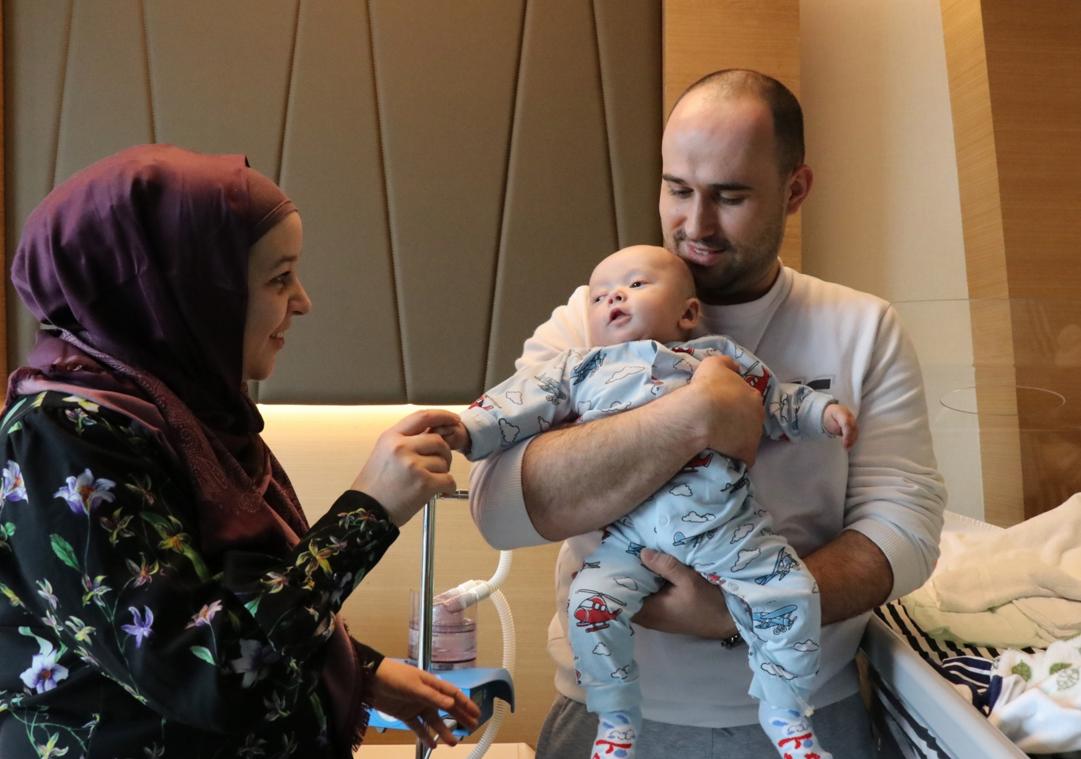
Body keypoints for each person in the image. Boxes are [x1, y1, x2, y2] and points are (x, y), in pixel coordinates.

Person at [469, 69, 947, 757]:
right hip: (609, 720)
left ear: (795, 189)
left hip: (812, 712)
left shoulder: (862, 327)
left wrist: (737, 606)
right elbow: (498, 509)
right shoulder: (590, 319)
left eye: (729, 196)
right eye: (677, 189)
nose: (694, 225)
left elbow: (904, 526)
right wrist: (691, 416)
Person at [0, 144, 479, 758]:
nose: (302, 301)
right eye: (279, 278)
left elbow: (206, 601)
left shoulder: (183, 418)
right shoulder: (62, 435)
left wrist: (351, 666)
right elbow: (203, 670)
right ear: (188, 290)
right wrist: (367, 512)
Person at [446, 244, 857, 759]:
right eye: (600, 296)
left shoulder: (717, 357)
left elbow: (777, 399)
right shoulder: (577, 368)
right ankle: (616, 717)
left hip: (729, 527)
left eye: (636, 285)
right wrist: (467, 429)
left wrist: (821, 412)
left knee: (793, 592)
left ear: (687, 312)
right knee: (589, 605)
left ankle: (785, 709)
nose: (615, 297)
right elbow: (516, 403)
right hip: (631, 538)